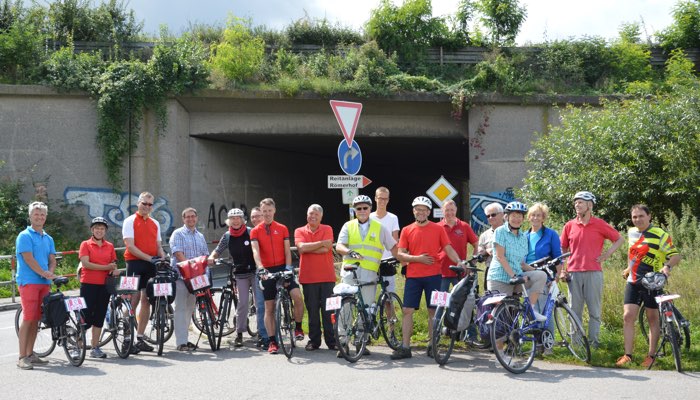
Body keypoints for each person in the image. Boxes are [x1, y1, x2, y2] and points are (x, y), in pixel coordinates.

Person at [394, 196, 462, 360]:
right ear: (414, 211)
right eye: (418, 209)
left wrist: (459, 261)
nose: (421, 212)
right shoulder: (407, 229)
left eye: (424, 210)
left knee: (434, 311)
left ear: (429, 212)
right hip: (413, 277)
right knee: (407, 310)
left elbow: (447, 248)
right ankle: (405, 347)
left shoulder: (438, 229)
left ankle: (432, 345)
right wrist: (417, 259)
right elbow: (400, 254)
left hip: (434, 276)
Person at [616, 204, 681, 367]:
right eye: (634, 217)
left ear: (649, 216)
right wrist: (629, 268)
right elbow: (632, 252)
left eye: (641, 216)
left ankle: (651, 355)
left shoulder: (660, 234)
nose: (637, 219)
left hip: (652, 282)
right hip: (633, 281)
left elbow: (675, 256)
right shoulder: (631, 232)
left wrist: (667, 267)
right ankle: (628, 355)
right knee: (627, 316)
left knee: (652, 318)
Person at [560, 191, 624, 349]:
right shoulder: (569, 225)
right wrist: (562, 270)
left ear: (590, 205)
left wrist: (606, 255)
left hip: (594, 272)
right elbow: (562, 249)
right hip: (573, 272)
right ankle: (576, 344)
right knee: (574, 310)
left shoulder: (600, 224)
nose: (577, 205)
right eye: (575, 202)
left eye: (580, 202)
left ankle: (594, 343)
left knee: (594, 310)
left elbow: (619, 239)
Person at [251, 198, 304, 355]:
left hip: (283, 267)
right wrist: (260, 268)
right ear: (261, 212)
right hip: (267, 270)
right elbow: (255, 251)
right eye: (264, 211)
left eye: (269, 211)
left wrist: (288, 267)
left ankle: (299, 328)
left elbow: (287, 250)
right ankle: (272, 341)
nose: (267, 214)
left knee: (298, 297)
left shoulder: (282, 228)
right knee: (269, 307)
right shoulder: (256, 231)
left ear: (274, 211)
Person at [486, 201, 547, 319]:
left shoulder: (523, 237)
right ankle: (499, 337)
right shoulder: (500, 232)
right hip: (500, 279)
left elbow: (521, 263)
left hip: (516, 280)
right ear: (507, 217)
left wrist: (538, 270)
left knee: (540, 275)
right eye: (514, 216)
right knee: (502, 319)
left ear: (523, 218)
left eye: (520, 216)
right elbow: (500, 257)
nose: (517, 219)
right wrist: (513, 275)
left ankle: (531, 310)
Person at [122, 192, 166, 353]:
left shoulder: (155, 223)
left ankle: (140, 338)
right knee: (132, 301)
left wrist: (163, 256)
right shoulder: (129, 221)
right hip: (134, 263)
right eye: (144, 203)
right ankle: (127, 340)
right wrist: (150, 258)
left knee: (147, 300)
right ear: (138, 203)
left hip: (151, 263)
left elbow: (159, 246)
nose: (147, 207)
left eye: (150, 204)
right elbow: (130, 246)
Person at [209, 208, 259, 348]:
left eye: (238, 218)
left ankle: (263, 333)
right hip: (240, 273)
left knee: (259, 302)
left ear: (243, 220)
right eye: (233, 218)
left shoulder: (250, 232)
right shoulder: (227, 236)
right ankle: (239, 333)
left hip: (254, 271)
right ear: (229, 221)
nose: (235, 221)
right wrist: (212, 257)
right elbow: (218, 250)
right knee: (242, 303)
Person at [15, 201, 56, 369]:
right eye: (36, 214)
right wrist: (43, 272)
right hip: (29, 281)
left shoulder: (48, 238)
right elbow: (28, 258)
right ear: (30, 216)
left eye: (42, 215)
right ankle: (22, 357)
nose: (39, 217)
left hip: (44, 282)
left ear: (45, 218)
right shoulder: (24, 236)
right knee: (28, 318)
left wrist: (50, 272)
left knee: (37, 319)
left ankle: (31, 354)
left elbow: (52, 259)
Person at [294, 204, 337, 351]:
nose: (313, 216)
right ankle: (314, 341)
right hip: (308, 278)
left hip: (327, 278)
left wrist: (309, 247)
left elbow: (327, 248)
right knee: (312, 312)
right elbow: (301, 248)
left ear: (321, 217)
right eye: (310, 214)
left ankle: (332, 341)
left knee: (329, 311)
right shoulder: (299, 230)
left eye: (316, 214)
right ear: (307, 215)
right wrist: (319, 244)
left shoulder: (328, 228)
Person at [170, 207, 209, 352]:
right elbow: (178, 254)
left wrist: (203, 273)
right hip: (181, 277)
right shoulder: (178, 233)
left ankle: (185, 339)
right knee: (180, 308)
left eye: (193, 216)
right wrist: (191, 270)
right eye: (188, 217)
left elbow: (205, 255)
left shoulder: (200, 236)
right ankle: (180, 342)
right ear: (183, 219)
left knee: (189, 309)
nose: (191, 219)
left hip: (196, 279)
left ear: (196, 218)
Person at [78, 217, 119, 359]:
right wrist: (106, 267)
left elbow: (113, 263)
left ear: (105, 231)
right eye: (97, 228)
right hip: (88, 284)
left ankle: (95, 347)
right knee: (85, 315)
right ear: (92, 230)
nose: (99, 231)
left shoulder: (110, 246)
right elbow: (86, 264)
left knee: (100, 315)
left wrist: (114, 269)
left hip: (104, 285)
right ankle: (78, 346)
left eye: (102, 228)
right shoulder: (85, 244)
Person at [525, 203, 562, 354]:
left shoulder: (550, 234)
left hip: (545, 276)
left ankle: (548, 346)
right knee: (532, 311)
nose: (535, 218)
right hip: (528, 276)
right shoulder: (524, 235)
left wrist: (556, 278)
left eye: (538, 215)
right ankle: (537, 346)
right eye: (533, 215)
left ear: (543, 218)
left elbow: (558, 257)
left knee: (544, 311)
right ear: (528, 217)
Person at [437, 200, 478, 292]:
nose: (450, 213)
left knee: (460, 303)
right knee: (440, 303)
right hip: (441, 272)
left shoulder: (464, 226)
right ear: (442, 211)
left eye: (452, 210)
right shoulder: (436, 227)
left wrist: (472, 263)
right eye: (447, 210)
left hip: (460, 272)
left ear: (456, 210)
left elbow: (476, 244)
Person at [370, 186, 400, 294]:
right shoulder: (369, 217)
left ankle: (389, 311)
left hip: (388, 261)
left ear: (388, 200)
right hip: (371, 261)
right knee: (370, 296)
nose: (382, 201)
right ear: (375, 198)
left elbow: (395, 241)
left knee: (389, 298)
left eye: (385, 199)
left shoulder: (393, 218)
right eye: (380, 198)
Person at [249, 206, 268, 348]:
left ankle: (273, 333)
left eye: (258, 216)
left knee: (272, 305)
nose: (255, 219)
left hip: (272, 270)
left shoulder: (271, 229)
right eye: (253, 217)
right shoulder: (252, 232)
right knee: (261, 306)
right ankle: (263, 335)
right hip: (259, 272)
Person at [477, 202, 505, 290]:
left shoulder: (511, 232)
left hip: (508, 270)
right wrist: (486, 252)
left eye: (493, 215)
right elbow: (480, 256)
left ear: (502, 214)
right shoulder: (484, 235)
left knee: (510, 300)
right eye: (488, 216)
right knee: (489, 299)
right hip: (490, 270)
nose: (490, 218)